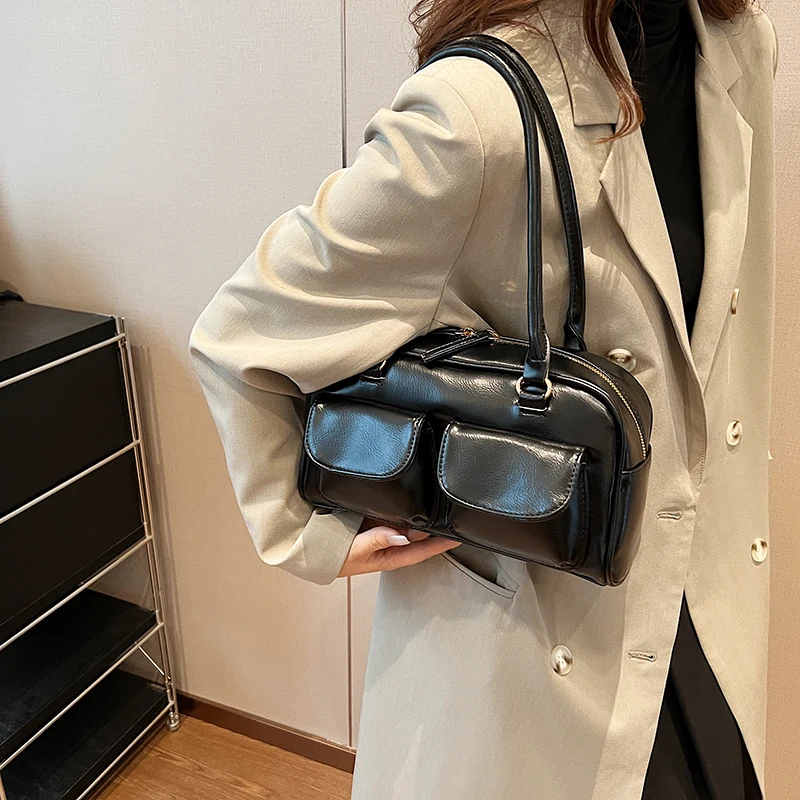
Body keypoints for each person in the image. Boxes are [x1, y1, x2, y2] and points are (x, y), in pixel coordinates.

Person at [188, 0, 779, 797]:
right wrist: (315, 533)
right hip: (543, 647)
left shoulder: (740, 47)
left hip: (706, 598)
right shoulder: (480, 112)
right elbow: (244, 331)